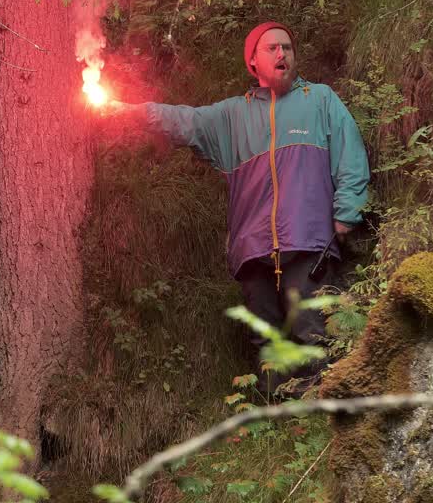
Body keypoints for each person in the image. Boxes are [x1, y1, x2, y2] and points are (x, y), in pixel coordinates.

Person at [104, 21, 370, 395]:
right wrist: (127, 112)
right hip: (253, 249)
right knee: (267, 344)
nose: (282, 53)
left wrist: (346, 211)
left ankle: (320, 413)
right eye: (272, 48)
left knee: (312, 331)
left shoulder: (320, 100)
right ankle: (280, 419)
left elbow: (350, 154)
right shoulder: (232, 116)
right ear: (253, 62)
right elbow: (183, 120)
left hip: (309, 242)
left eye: (287, 47)